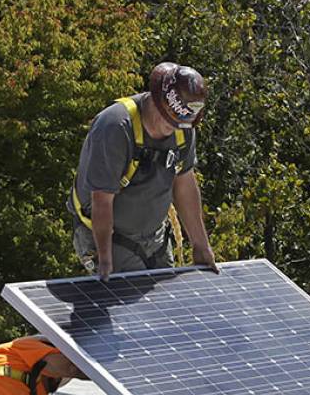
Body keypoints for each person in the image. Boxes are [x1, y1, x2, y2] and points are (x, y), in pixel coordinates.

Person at [68, 62, 218, 280]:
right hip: (111, 236)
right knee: (128, 297)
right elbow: (102, 199)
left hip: (155, 237)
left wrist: (201, 245)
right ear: (156, 102)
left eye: (179, 124)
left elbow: (184, 183)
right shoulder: (115, 127)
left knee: (166, 299)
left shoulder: (183, 126)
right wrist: (106, 260)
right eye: (168, 121)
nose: (172, 129)